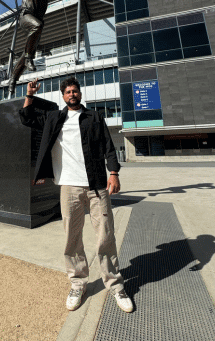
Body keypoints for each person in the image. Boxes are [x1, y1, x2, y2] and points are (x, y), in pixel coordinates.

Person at [18, 77, 134, 313]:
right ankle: (78, 283)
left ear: (80, 94)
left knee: (105, 236)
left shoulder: (94, 117)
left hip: (97, 185)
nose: (72, 94)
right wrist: (29, 95)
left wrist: (114, 173)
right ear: (63, 96)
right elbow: (27, 117)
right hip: (68, 187)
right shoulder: (54, 118)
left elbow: (108, 147)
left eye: (75, 91)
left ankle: (115, 284)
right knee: (72, 238)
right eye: (68, 92)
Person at [8, 0, 56, 95]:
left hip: (38, 20)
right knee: (37, 28)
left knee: (27, 52)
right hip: (26, 15)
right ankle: (29, 58)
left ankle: (12, 79)